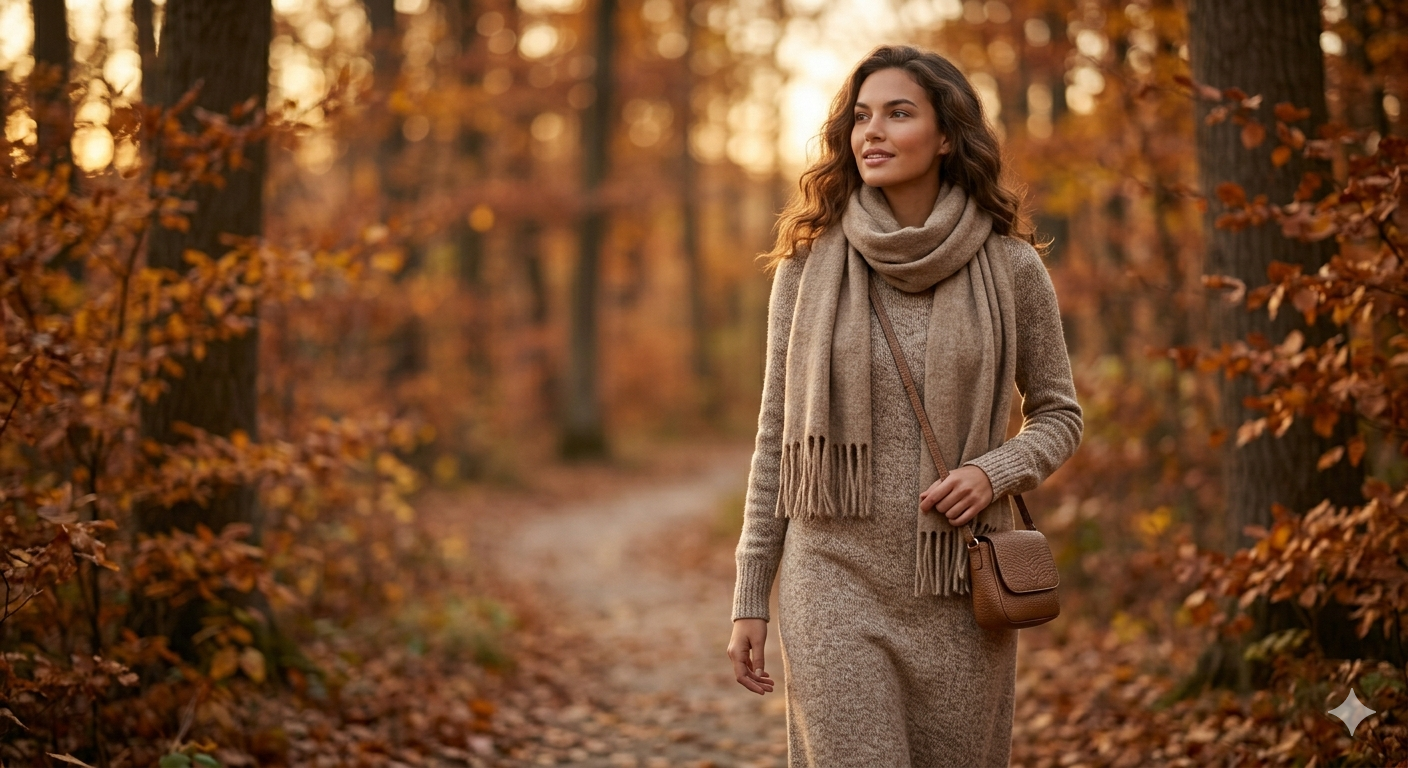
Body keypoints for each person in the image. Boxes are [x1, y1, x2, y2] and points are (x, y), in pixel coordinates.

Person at [725, 44, 1083, 766]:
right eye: (861, 117)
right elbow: (776, 438)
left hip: (959, 580)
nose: (872, 133)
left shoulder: (1012, 267)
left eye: (897, 114)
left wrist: (996, 471)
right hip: (831, 573)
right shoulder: (807, 265)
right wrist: (750, 594)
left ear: (946, 135)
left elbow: (1059, 414)